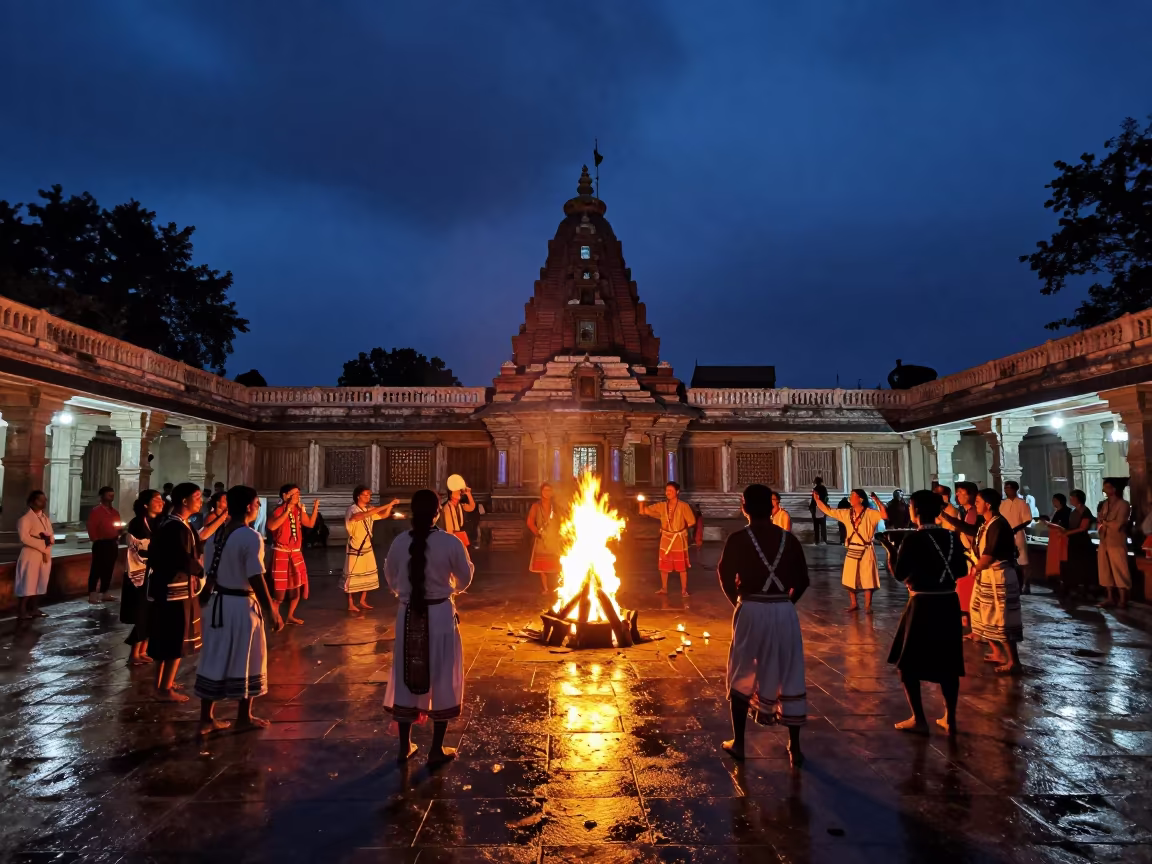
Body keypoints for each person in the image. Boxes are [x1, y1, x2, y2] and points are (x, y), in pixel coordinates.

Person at [718, 484, 809, 767]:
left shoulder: (737, 539)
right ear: (772, 508)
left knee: (742, 669)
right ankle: (794, 746)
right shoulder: (788, 540)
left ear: (743, 506)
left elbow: (723, 575)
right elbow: (803, 581)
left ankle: (740, 742)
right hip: (784, 610)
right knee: (790, 670)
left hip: (751, 608)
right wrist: (785, 605)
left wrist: (740, 603)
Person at [383, 488, 474, 764]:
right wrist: (451, 589)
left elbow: (390, 577)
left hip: (408, 615)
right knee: (443, 675)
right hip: (441, 615)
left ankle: (404, 746)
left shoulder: (399, 542)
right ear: (438, 512)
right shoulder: (451, 543)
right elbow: (466, 577)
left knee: (407, 674)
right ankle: (436, 749)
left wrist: (406, 594)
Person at [196, 485, 283, 734]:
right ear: (248, 506)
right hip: (241, 606)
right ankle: (244, 716)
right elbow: (256, 577)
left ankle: (206, 717)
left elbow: (210, 570)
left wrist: (206, 594)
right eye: (256, 503)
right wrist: (271, 610)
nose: (257, 507)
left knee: (214, 656)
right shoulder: (250, 537)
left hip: (218, 604)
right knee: (248, 657)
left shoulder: (217, 534)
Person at [887, 490, 968, 735]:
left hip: (922, 603)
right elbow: (962, 570)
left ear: (917, 510)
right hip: (948, 603)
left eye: (910, 506)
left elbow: (900, 575)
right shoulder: (952, 537)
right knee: (949, 662)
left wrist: (891, 553)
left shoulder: (913, 539)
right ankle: (950, 718)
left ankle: (919, 718)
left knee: (908, 663)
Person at [942, 488, 1024, 675]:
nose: (975, 504)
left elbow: (990, 552)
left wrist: (976, 567)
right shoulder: (985, 524)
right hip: (986, 576)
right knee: (981, 615)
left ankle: (1013, 661)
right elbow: (969, 530)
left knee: (1001, 619)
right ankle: (997, 653)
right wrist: (945, 517)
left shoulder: (998, 525)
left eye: (978, 501)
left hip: (998, 576)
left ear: (988, 504)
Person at [147, 483, 205, 701]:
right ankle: (164, 688)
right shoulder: (176, 527)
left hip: (169, 587)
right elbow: (182, 558)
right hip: (175, 589)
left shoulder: (176, 524)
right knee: (175, 638)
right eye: (197, 497)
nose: (200, 501)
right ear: (184, 500)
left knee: (167, 637)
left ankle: (163, 683)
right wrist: (200, 572)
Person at [813, 489, 888, 613]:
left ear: (861, 499)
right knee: (850, 577)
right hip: (852, 548)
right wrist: (817, 500)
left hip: (866, 549)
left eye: (853, 496)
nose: (850, 498)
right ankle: (854, 603)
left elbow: (884, 516)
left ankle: (868, 606)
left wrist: (877, 500)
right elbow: (829, 511)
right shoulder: (847, 513)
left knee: (867, 577)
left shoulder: (870, 513)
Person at [267, 484, 319, 625]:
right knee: (280, 591)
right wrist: (286, 511)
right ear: (285, 496)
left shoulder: (298, 509)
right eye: (294, 493)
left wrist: (315, 508)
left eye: (298, 493)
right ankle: (276, 616)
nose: (297, 496)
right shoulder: (278, 510)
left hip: (295, 553)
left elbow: (310, 524)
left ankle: (290, 615)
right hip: (282, 552)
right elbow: (271, 526)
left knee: (297, 587)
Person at [343, 485, 399, 614]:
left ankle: (362, 600)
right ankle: (351, 603)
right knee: (351, 577)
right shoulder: (352, 510)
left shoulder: (369, 509)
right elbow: (363, 515)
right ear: (358, 496)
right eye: (366, 495)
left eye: (369, 495)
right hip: (356, 547)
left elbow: (383, 515)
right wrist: (388, 504)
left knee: (368, 574)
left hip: (367, 546)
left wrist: (390, 506)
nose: (368, 497)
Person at [123, 489, 164, 665]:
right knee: (142, 613)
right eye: (156, 500)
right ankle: (134, 653)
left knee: (152, 613)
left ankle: (143, 650)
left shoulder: (159, 522)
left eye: (161, 499)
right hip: (139, 575)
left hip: (154, 573)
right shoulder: (138, 523)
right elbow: (138, 548)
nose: (161, 502)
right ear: (146, 504)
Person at [639, 481, 697, 596]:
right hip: (665, 537)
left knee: (681, 567)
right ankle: (664, 588)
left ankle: (684, 590)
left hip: (678, 539)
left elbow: (692, 521)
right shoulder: (661, 506)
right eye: (667, 490)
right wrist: (641, 504)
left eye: (671, 490)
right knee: (664, 565)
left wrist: (680, 530)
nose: (668, 492)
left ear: (677, 492)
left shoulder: (684, 506)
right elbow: (645, 511)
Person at [15, 491, 54, 621]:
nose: (44, 503)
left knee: (40, 582)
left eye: (45, 500)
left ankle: (34, 608)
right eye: (40, 500)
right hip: (30, 555)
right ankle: (22, 610)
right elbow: (24, 538)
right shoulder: (25, 519)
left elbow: (51, 534)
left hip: (44, 555)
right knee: (28, 583)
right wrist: (42, 544)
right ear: (32, 502)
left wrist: (49, 542)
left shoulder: (45, 518)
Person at [1096, 479, 1132, 609]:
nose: (1104, 490)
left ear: (1114, 489)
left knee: (1120, 568)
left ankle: (1123, 599)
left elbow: (1119, 523)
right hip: (1104, 540)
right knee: (1105, 569)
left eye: (1107, 487)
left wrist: (1105, 522)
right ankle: (1110, 597)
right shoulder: (1105, 504)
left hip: (1116, 541)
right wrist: (1103, 523)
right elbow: (1100, 519)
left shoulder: (1123, 504)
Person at [953, 482, 982, 635]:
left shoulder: (973, 513)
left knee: (971, 591)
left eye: (960, 492)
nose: (957, 495)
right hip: (966, 555)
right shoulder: (964, 511)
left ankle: (975, 627)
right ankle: (968, 624)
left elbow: (970, 533)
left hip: (974, 556)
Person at [86, 485, 121, 604]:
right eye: (109, 494)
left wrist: (118, 534)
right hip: (101, 543)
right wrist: (95, 539)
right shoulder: (96, 511)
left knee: (109, 568)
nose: (111, 496)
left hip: (112, 542)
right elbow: (91, 526)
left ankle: (104, 592)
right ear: (102, 496)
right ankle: (92, 593)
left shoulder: (114, 512)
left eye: (112, 494)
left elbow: (118, 525)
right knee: (97, 568)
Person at [1060, 490, 1097, 600]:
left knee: (1083, 566)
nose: (1071, 499)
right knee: (1073, 565)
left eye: (1072, 498)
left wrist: (1068, 533)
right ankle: (1074, 588)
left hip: (1082, 542)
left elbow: (1083, 528)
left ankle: (1085, 590)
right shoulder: (1073, 511)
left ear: (1078, 499)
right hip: (1073, 541)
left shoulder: (1085, 511)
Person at [527, 483, 562, 594]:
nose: (547, 492)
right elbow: (530, 522)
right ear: (541, 492)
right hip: (542, 539)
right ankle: (545, 588)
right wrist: (538, 533)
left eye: (549, 490)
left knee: (557, 564)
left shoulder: (555, 506)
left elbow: (563, 520)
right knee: (542, 567)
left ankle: (558, 587)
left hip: (554, 539)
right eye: (545, 490)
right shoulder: (536, 506)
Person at [1001, 481, 1034, 594]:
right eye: (1006, 488)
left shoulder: (1022, 503)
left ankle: (1026, 584)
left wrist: (1016, 528)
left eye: (1009, 488)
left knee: (1023, 560)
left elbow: (1028, 519)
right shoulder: (1002, 504)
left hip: (1018, 534)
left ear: (1015, 489)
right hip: (1005, 535)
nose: (1007, 490)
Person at [1041, 493, 1072, 585]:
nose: (1053, 503)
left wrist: (1048, 523)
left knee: (1061, 560)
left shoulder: (1067, 512)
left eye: (1055, 501)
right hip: (1055, 539)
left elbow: (1063, 526)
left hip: (1061, 539)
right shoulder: (1057, 512)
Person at [441, 484, 477, 549]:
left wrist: (468, 494)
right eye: (456, 492)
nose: (459, 493)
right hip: (451, 537)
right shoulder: (447, 508)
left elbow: (472, 507)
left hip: (459, 535)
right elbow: (449, 527)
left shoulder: (460, 506)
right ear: (451, 495)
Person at [809, 477, 829, 545]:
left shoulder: (815, 489)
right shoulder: (823, 488)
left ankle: (817, 540)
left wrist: (811, 507)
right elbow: (826, 498)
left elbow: (813, 500)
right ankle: (824, 540)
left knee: (816, 526)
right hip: (822, 508)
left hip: (816, 508)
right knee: (823, 525)